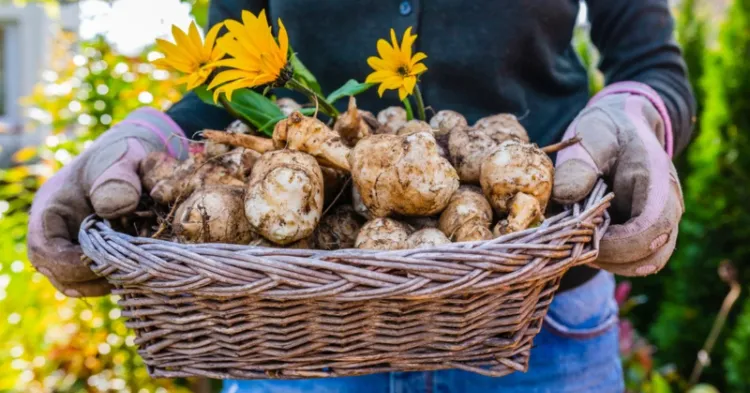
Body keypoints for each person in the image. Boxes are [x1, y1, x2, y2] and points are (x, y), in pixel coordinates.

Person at [27, 0, 694, 392]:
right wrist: (147, 135)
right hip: (293, 325)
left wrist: (634, 119)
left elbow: (649, 64)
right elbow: (224, 86)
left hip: (538, 313)